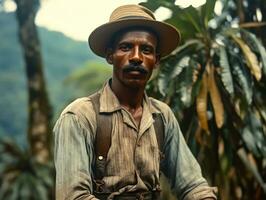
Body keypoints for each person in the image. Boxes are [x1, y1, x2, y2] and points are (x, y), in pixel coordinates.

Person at [53, 4, 217, 200]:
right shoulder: (79, 117)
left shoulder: (161, 116)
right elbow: (73, 196)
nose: (137, 57)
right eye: (126, 47)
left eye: (146, 50)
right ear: (110, 55)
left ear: (156, 61)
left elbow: (192, 185)